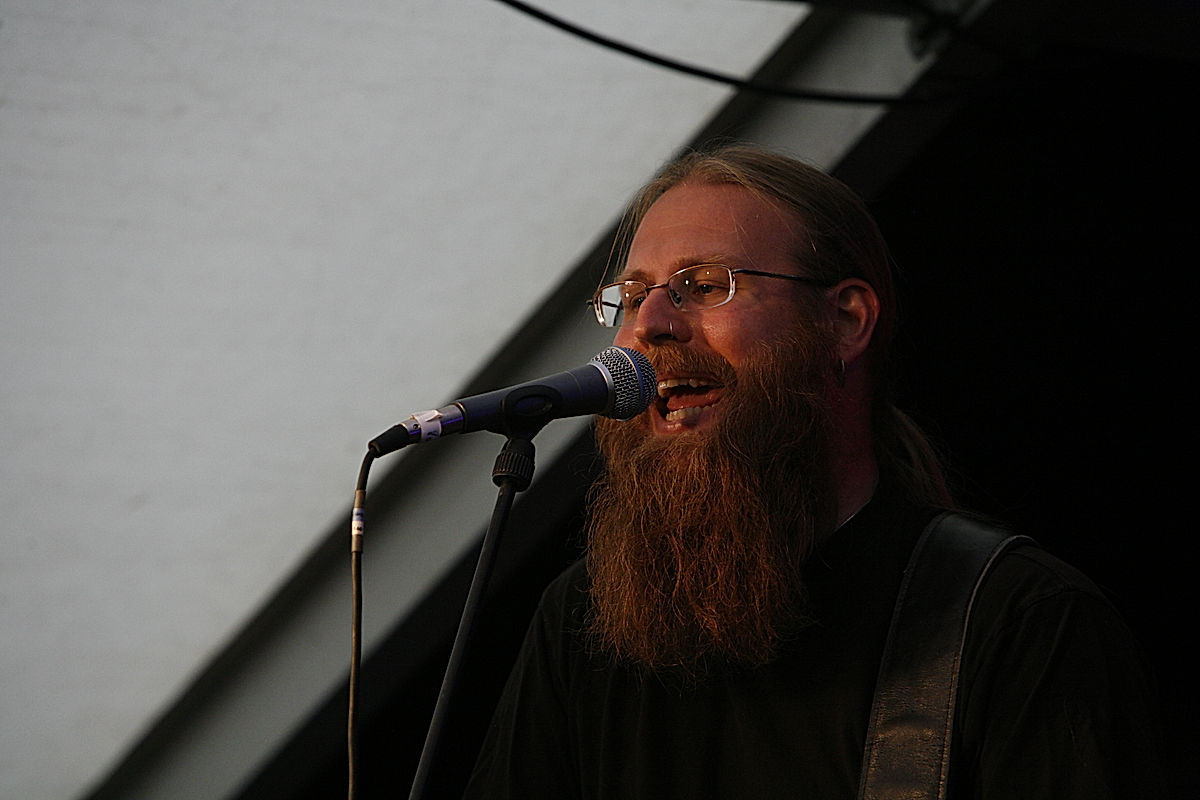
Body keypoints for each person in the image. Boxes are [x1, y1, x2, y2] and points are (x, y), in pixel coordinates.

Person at [462, 144, 1165, 798]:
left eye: (703, 285)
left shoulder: (1014, 621)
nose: (649, 325)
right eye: (631, 295)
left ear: (846, 321)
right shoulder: (584, 624)